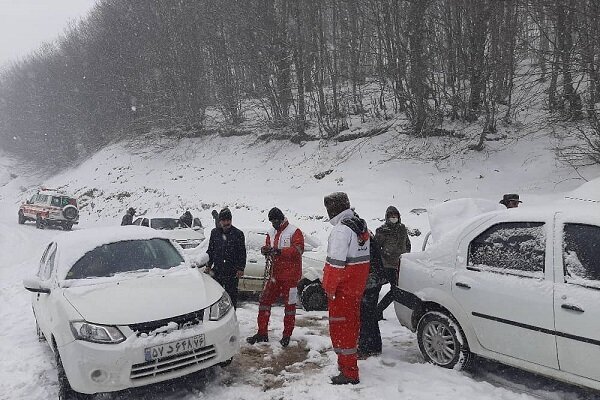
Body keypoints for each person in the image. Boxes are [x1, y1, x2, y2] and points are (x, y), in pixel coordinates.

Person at [322, 192, 370, 385]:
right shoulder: (360, 225)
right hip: (355, 288)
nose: (327, 212)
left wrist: (328, 288)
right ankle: (348, 365)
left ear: (335, 208)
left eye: (329, 208)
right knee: (351, 327)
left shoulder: (342, 230)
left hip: (341, 291)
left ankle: (348, 372)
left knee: (341, 330)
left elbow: (335, 266)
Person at [247, 207, 304, 347]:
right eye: (272, 222)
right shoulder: (271, 233)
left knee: (289, 307)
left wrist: (279, 251)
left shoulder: (294, 231)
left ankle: (286, 335)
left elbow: (299, 250)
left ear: (281, 219)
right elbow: (268, 246)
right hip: (274, 275)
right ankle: (262, 333)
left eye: (276, 221)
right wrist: (265, 250)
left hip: (290, 277)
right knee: (264, 302)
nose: (274, 224)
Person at [205, 208, 246, 308]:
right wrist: (208, 265)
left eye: (228, 220)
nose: (226, 223)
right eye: (224, 220)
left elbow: (242, 253)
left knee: (231, 298)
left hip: (232, 273)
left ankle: (231, 317)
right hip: (217, 271)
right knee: (215, 297)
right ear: (220, 221)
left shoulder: (238, 234)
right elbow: (210, 251)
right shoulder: (214, 233)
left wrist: (241, 268)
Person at [375, 206, 411, 320]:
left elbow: (407, 243)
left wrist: (405, 253)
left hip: (401, 264)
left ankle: (378, 311)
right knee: (395, 289)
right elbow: (376, 247)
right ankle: (378, 310)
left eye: (395, 216)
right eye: (391, 216)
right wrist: (385, 256)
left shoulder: (402, 229)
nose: (394, 218)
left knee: (397, 289)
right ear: (387, 217)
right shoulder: (382, 230)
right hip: (387, 265)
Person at [358, 231, 386, 359]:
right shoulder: (367, 236)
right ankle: (375, 346)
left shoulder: (363, 240)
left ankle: (365, 348)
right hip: (374, 279)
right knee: (370, 314)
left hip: (370, 281)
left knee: (365, 315)